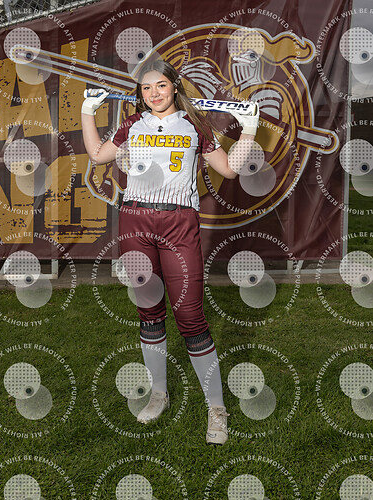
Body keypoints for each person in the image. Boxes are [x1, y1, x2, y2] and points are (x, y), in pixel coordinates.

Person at [81, 58, 259, 445]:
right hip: (135, 221)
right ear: (140, 93)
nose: (154, 93)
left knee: (190, 316)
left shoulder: (195, 125)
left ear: (174, 87)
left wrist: (249, 130)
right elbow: (97, 155)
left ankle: (216, 408)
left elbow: (229, 170)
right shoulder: (132, 124)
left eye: (160, 85)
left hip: (178, 222)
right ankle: (158, 394)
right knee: (149, 312)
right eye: (146, 88)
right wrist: (87, 112)